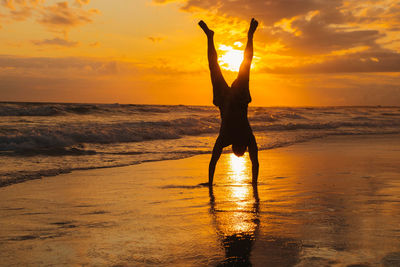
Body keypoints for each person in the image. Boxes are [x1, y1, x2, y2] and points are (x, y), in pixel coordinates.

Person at [198, 18, 259, 186]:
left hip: (230, 99)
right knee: (221, 66)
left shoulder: (232, 138)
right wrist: (254, 184)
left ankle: (246, 35)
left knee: (242, 66)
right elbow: (254, 163)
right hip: (234, 98)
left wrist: (210, 184)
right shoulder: (236, 138)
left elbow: (254, 163)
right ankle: (246, 36)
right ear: (235, 147)